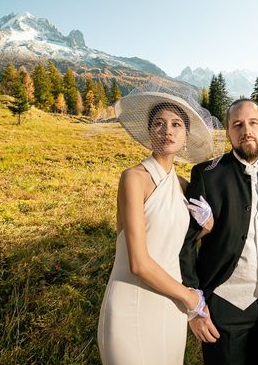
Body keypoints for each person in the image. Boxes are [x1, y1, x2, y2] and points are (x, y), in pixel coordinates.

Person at [97, 89, 222, 365]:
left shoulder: (183, 186)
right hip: (132, 302)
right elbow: (139, 263)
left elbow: (178, 242)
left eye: (176, 124)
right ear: (149, 132)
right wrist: (191, 300)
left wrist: (206, 226)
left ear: (185, 137)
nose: (167, 130)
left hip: (170, 308)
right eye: (159, 123)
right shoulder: (134, 178)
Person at [180, 98, 258, 365]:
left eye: (252, 123)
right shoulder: (206, 175)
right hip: (222, 306)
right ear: (228, 133)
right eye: (237, 124)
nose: (246, 130)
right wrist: (194, 308)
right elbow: (186, 244)